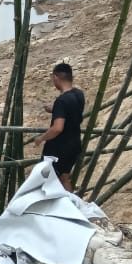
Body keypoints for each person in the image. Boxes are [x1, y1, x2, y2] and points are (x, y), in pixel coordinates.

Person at [35, 62, 85, 192]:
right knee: (64, 178)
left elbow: (57, 128)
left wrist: (42, 138)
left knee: (45, 179)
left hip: (60, 148)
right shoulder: (79, 94)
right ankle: (70, 203)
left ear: (56, 77)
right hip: (74, 144)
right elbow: (72, 111)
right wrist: (55, 109)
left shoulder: (62, 101)